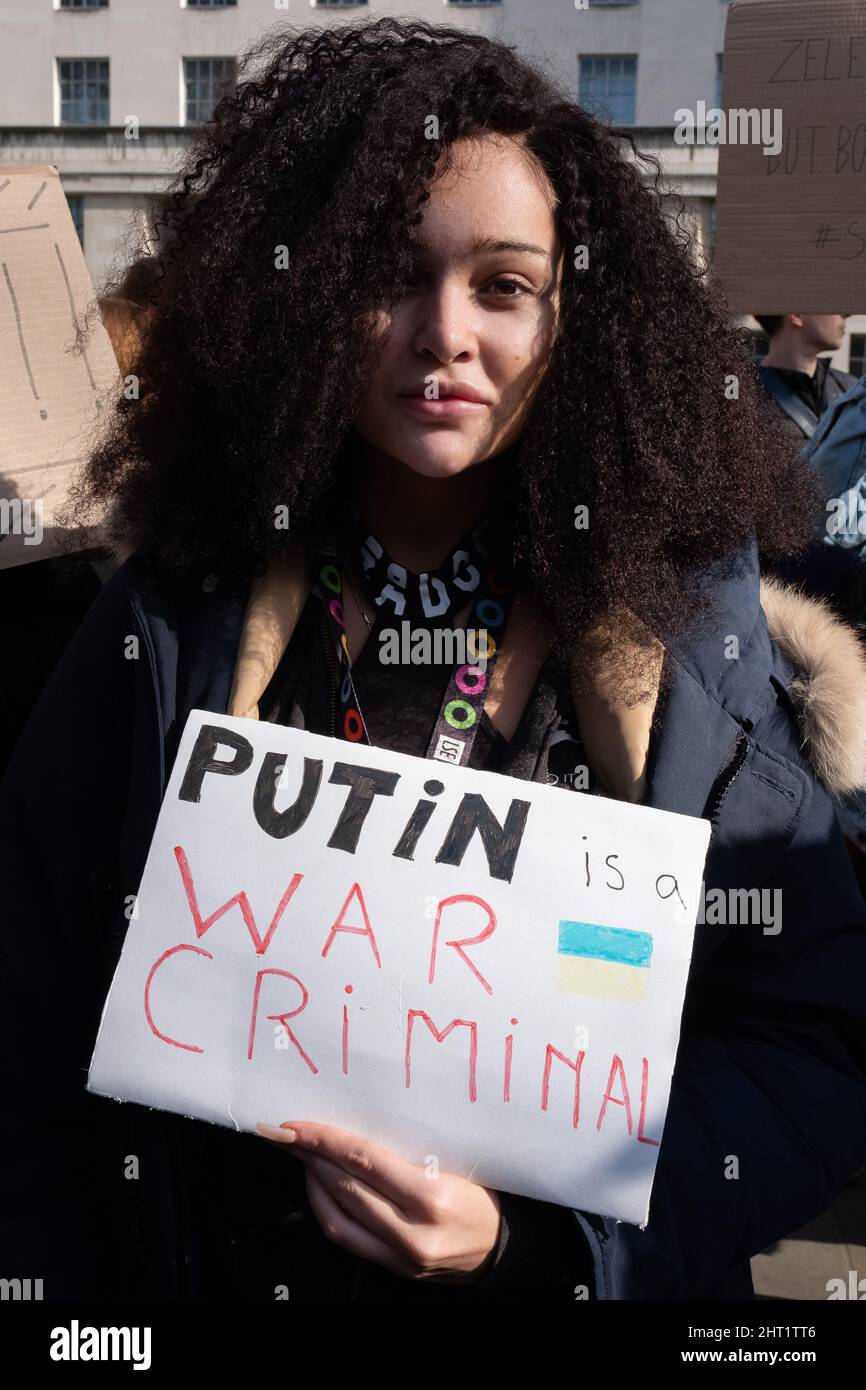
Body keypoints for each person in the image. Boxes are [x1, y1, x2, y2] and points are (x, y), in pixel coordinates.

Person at [3, 16, 866, 1303]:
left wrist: (545, 1244)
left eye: (503, 286)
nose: (443, 332)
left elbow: (816, 1042)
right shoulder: (165, 618)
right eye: (390, 274)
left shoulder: (686, 642)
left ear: (573, 318)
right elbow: (30, 1016)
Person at [756, 313, 857, 444]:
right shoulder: (739, 396)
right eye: (833, 302)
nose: (847, 314)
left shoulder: (852, 390)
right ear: (797, 315)